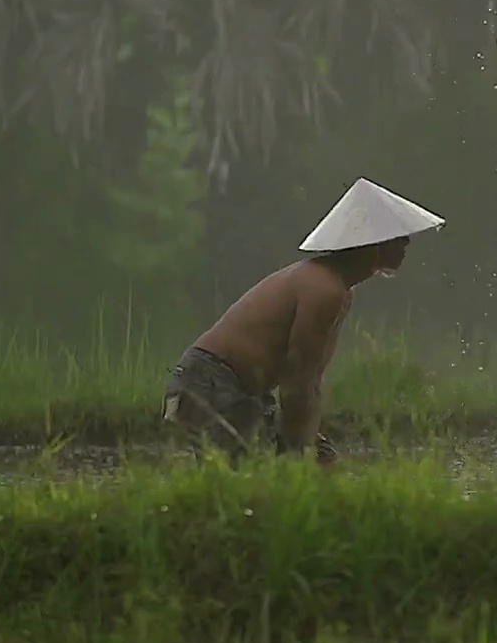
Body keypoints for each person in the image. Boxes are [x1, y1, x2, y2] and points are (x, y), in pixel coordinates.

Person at [161, 177, 444, 463]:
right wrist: (298, 445)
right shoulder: (323, 289)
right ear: (372, 244)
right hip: (212, 382)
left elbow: (311, 378)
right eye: (396, 236)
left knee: (316, 464)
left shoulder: (339, 291)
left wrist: (309, 435)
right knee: (247, 482)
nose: (406, 242)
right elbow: (298, 378)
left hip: (242, 389)